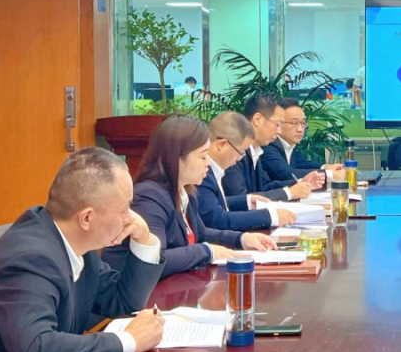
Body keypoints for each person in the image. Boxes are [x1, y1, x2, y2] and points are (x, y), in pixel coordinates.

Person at [0, 148, 166, 352]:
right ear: (87, 218)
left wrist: (144, 239)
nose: (130, 218)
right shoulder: (30, 259)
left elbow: (123, 301)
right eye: (124, 208)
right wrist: (128, 340)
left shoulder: (74, 245)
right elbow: (35, 351)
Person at [101, 115, 277, 279]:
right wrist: (206, 251)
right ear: (177, 157)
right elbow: (155, 259)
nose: (207, 163)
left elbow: (201, 233)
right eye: (202, 156)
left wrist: (241, 239)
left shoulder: (186, 191)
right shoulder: (148, 197)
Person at [198, 111, 298, 231]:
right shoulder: (201, 173)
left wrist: (247, 201)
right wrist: (269, 216)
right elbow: (216, 219)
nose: (240, 158)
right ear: (222, 145)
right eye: (241, 152)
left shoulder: (214, 170)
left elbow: (215, 204)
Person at [222, 93, 320, 199]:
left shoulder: (255, 150)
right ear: (257, 120)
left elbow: (265, 187)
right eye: (277, 124)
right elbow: (242, 199)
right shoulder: (234, 150)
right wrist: (288, 193)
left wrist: (300, 182)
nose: (279, 131)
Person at [261, 97, 344, 181]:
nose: (300, 129)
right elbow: (286, 174)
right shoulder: (268, 146)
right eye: (294, 123)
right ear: (279, 123)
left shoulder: (288, 145)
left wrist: (326, 167)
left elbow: (302, 164)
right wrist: (330, 174)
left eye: (303, 123)